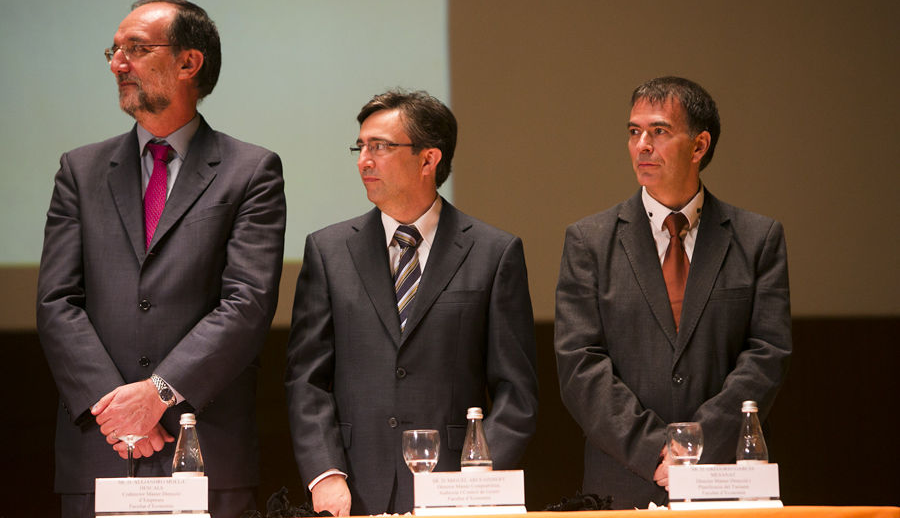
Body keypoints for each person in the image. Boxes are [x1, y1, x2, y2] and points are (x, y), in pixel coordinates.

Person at [36, 0, 286, 518]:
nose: (116, 64)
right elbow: (57, 301)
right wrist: (118, 408)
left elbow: (247, 303)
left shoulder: (251, 171)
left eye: (135, 49)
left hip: (205, 445)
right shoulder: (79, 171)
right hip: (100, 445)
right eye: (114, 49)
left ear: (188, 63)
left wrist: (158, 394)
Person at [286, 89, 538, 516]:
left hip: (456, 490)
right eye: (360, 146)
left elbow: (517, 392)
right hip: (353, 490)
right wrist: (325, 472)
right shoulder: (327, 251)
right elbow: (307, 380)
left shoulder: (493, 253)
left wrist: (475, 477)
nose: (364, 160)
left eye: (380, 147)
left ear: (428, 160)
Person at [554, 76, 791, 509]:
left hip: (727, 478)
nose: (642, 145)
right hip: (625, 480)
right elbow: (579, 365)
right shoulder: (589, 240)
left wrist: (694, 447)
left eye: (658, 131)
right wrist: (656, 452)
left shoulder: (758, 239)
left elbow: (767, 355)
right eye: (633, 132)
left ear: (699, 146)